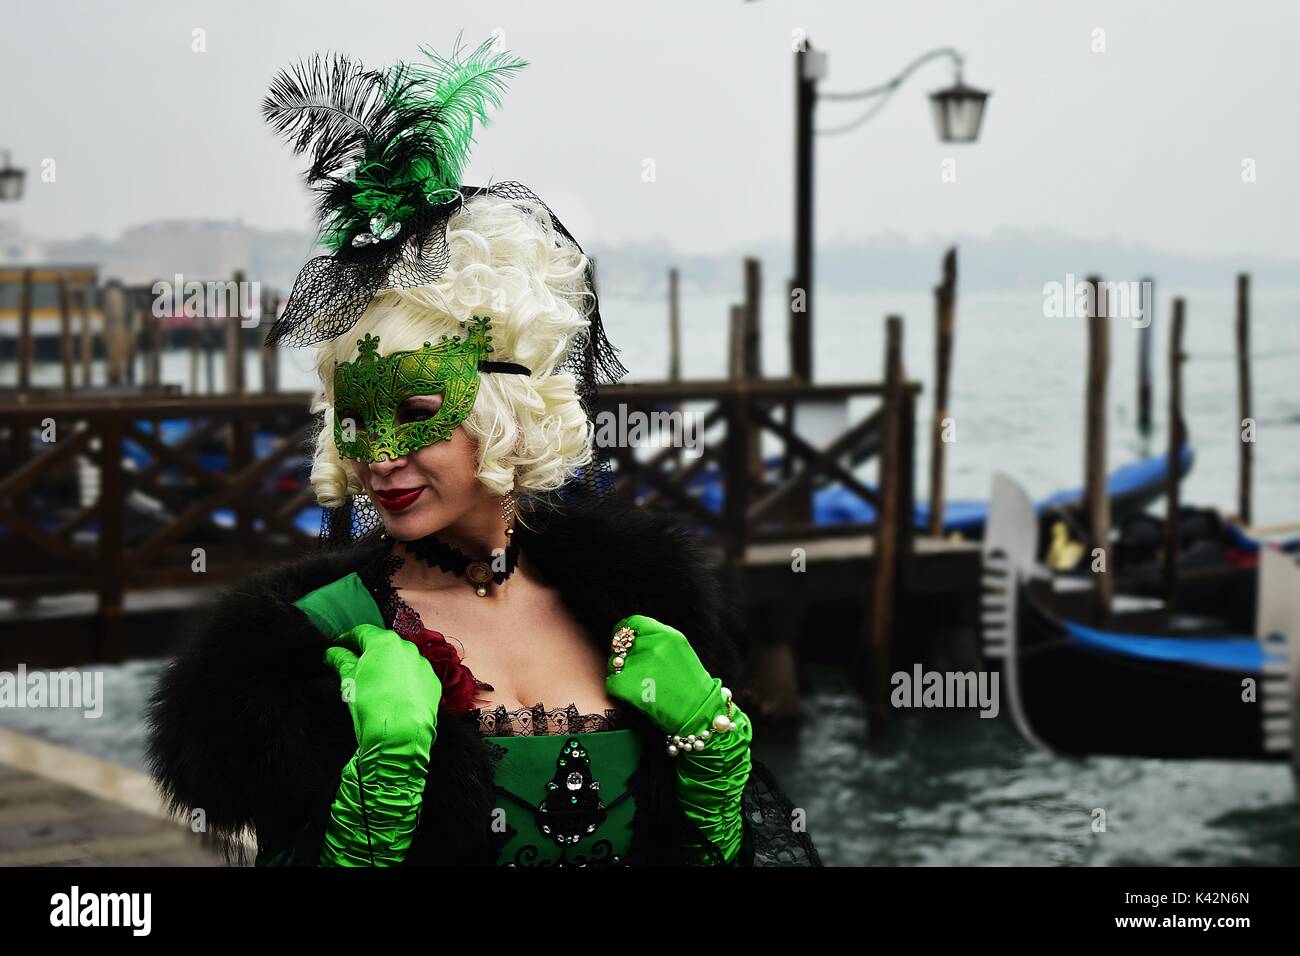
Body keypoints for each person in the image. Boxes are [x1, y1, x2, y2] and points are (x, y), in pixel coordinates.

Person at [144, 37, 820, 868]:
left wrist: (713, 766)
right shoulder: (312, 649)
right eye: (356, 420)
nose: (380, 456)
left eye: (421, 411)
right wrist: (380, 789)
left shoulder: (638, 610)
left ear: (506, 407)